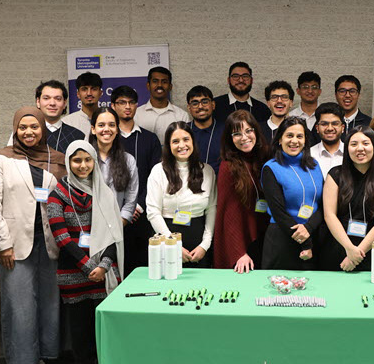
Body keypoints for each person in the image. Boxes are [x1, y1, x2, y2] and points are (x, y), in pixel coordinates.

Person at [0, 107, 66, 364]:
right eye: (23, 127)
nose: (29, 132)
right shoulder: (2, 159)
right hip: (14, 244)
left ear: (43, 128)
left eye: (34, 127)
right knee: (18, 304)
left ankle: (40, 358)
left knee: (47, 303)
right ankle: (18, 363)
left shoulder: (55, 159)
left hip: (49, 242)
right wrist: (3, 244)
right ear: (15, 130)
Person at [47, 141, 124, 364]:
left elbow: (115, 235)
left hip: (103, 271)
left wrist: (102, 266)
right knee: (79, 324)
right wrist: (87, 265)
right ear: (68, 162)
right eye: (77, 160)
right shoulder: (58, 193)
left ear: (94, 162)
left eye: (87, 160)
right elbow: (61, 237)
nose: (82, 165)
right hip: (72, 271)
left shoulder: (105, 192)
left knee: (103, 323)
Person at [321, 126, 374, 272]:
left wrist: (356, 254)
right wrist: (349, 249)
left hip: (369, 251)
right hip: (336, 247)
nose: (360, 149)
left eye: (366, 144)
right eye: (354, 144)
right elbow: (329, 215)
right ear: (347, 148)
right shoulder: (335, 175)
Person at [146, 122, 216, 267]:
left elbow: (212, 208)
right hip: (165, 239)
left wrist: (205, 244)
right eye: (175, 141)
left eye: (186, 139)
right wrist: (173, 245)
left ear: (192, 142)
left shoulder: (207, 171)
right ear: (168, 145)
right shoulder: (158, 171)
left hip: (199, 243)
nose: (181, 145)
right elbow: (153, 212)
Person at [261, 117, 324, 270]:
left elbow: (323, 204)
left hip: (313, 234)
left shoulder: (314, 165)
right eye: (289, 135)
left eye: (299, 136)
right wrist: (305, 241)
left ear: (305, 140)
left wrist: (308, 229)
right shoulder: (271, 168)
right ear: (280, 140)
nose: (294, 141)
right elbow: (278, 212)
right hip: (283, 238)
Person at [110, 84, 161, 273]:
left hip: (144, 212)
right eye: (122, 102)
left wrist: (136, 206)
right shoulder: (108, 138)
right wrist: (122, 209)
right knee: (117, 268)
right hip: (113, 214)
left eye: (131, 102)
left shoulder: (150, 139)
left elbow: (156, 176)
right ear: (113, 106)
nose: (127, 106)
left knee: (144, 267)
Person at [213, 111, 271, 272]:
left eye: (248, 131)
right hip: (244, 241)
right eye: (237, 134)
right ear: (230, 139)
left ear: (256, 131)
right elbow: (229, 214)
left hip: (267, 235)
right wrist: (239, 252)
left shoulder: (265, 156)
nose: (244, 137)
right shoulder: (228, 166)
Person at [89, 107, 139, 224]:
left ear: (117, 129)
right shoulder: (85, 159)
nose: (107, 129)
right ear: (93, 129)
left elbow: (131, 199)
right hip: (88, 228)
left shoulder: (128, 160)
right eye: (101, 125)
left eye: (111, 125)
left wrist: (117, 226)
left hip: (117, 227)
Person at [136, 67, 189, 141]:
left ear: (170, 87)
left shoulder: (182, 116)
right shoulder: (136, 114)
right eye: (155, 81)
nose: (159, 85)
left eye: (164, 82)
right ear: (148, 86)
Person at [35, 80, 85, 153]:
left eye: (58, 99)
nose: (52, 103)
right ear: (38, 102)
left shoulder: (78, 136)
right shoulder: (26, 132)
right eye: (46, 98)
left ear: (64, 103)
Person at [213, 61, 270, 126]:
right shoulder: (215, 106)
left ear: (251, 80)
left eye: (245, 76)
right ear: (228, 80)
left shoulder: (262, 109)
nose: (241, 80)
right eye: (235, 76)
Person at [186, 86, 223, 172]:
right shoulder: (183, 131)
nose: (200, 107)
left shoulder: (225, 131)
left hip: (219, 182)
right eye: (195, 103)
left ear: (213, 105)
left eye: (205, 102)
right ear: (189, 108)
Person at [309, 102, 345, 179]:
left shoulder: (351, 153)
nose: (330, 128)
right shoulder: (309, 155)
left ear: (342, 128)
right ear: (317, 128)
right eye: (324, 124)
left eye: (335, 123)